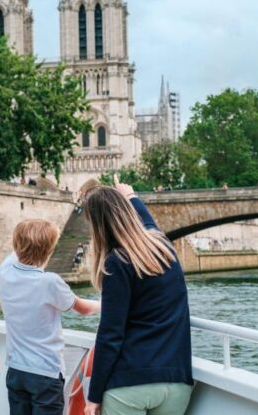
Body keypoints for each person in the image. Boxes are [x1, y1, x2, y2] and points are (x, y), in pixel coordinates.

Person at [83, 176, 193, 415]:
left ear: (98, 227)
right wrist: (131, 196)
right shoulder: (164, 248)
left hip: (130, 385)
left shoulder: (117, 263)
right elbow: (148, 224)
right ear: (127, 213)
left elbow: (110, 335)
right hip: (177, 382)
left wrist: (93, 396)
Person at [0, 219, 100, 415]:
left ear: (16, 246)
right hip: (45, 372)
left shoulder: (4, 272)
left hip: (16, 370)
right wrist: (106, 303)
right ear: (50, 251)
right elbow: (84, 309)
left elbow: (16, 252)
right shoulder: (50, 282)